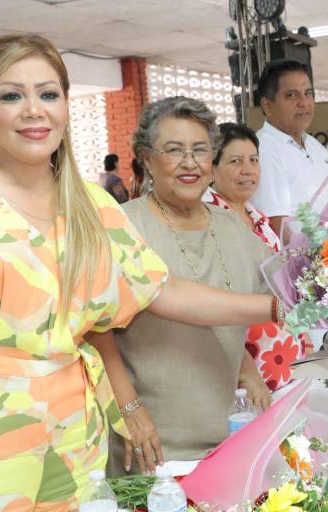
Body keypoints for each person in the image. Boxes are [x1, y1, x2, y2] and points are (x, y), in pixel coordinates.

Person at [0, 35, 278, 511]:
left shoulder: (91, 204)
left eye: (48, 94)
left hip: (75, 439)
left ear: (66, 106)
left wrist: (281, 305)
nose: (34, 110)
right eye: (12, 95)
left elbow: (163, 291)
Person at [107, 97, 279, 476]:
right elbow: (97, 333)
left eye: (200, 150)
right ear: (146, 159)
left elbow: (229, 313)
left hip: (229, 435)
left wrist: (247, 370)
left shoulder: (231, 225)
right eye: (173, 150)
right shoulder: (122, 227)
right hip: (154, 443)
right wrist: (129, 409)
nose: (190, 163)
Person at [203, 122, 312, 389]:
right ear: (212, 169)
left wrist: (303, 335)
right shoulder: (207, 222)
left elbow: (284, 288)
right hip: (242, 369)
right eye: (235, 161)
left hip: (285, 359)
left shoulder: (260, 220)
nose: (248, 170)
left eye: (253, 160)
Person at [249, 59, 328, 238]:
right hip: (299, 263)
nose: (304, 103)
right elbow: (275, 224)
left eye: (308, 93)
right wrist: (310, 263)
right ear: (267, 105)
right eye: (291, 95)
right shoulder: (264, 148)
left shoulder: (315, 145)